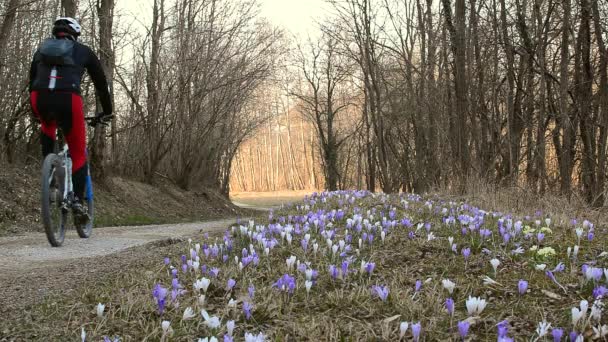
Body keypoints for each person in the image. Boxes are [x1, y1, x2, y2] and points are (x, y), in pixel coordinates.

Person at [29, 17, 113, 225]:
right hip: (69, 99)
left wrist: (35, 109)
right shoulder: (83, 51)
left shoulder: (41, 49)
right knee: (78, 152)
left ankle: (49, 175)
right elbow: (101, 84)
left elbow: (31, 80)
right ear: (75, 34)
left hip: (39, 98)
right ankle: (76, 200)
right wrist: (107, 111)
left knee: (47, 126)